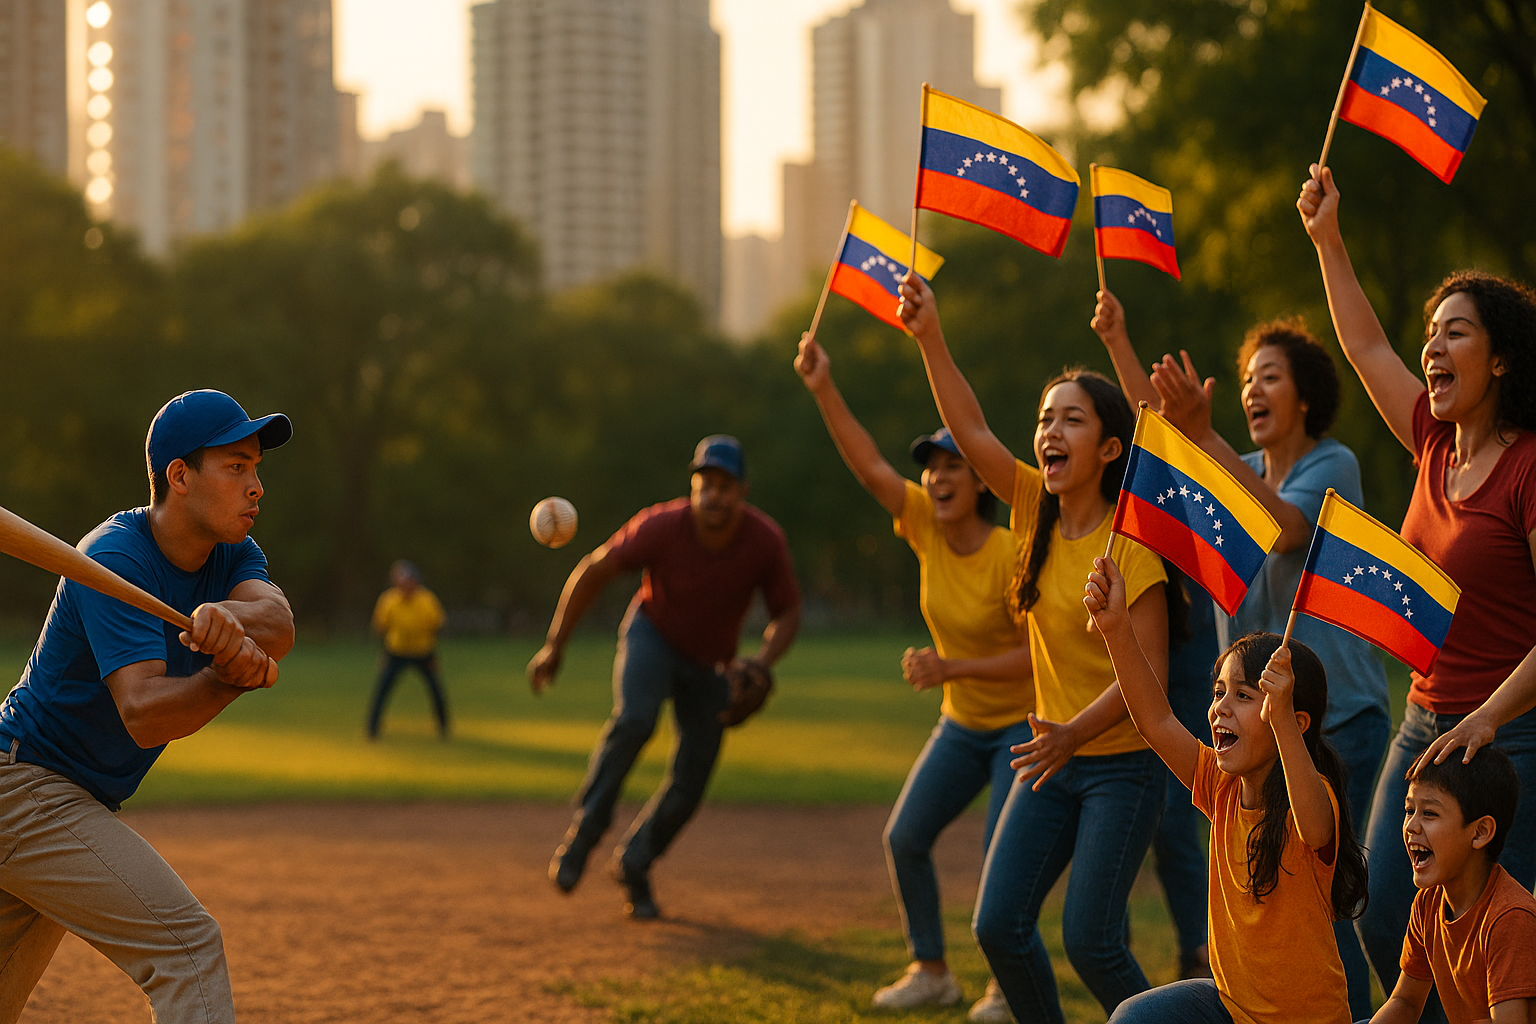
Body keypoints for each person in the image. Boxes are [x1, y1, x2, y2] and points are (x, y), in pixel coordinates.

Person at [1094, 291, 1390, 1014]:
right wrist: (1119, 343)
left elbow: (1282, 528)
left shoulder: (1333, 463)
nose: (1253, 390)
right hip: (1256, 727)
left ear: (1306, 395)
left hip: (1331, 717)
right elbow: (1166, 445)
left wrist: (1204, 437)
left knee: (1326, 900)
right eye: (1247, 378)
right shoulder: (1241, 466)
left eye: (1270, 377)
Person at [899, 272, 1172, 1023]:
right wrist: (930, 335)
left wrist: (1072, 735)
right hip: (1055, 755)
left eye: (1072, 420)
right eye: (1046, 418)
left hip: (1121, 766)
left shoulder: (1132, 540)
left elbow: (1149, 677)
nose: (1051, 431)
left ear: (1109, 447)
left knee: (1092, 942)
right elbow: (970, 428)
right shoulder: (1031, 509)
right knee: (997, 926)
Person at [1298, 164, 1536, 1016]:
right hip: (1426, 722)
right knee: (1387, 914)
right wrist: (1328, 238)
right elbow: (1368, 348)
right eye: (1430, 334)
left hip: (1513, 737)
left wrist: (1491, 718)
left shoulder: (1528, 469)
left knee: (1503, 939)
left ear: (1500, 358)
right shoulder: (1433, 442)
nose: (1432, 349)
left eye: (1455, 334)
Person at [0, 389, 294, 1023]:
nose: (255, 487)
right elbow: (145, 713)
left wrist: (225, 617)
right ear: (180, 476)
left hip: (61, 798)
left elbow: (278, 623)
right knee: (188, 951)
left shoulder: (231, 552)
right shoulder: (115, 557)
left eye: (255, 468)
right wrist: (227, 679)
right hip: (26, 788)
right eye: (236, 467)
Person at [794, 333, 1031, 1021]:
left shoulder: (1011, 552)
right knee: (905, 837)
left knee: (999, 855)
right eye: (931, 468)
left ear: (982, 480)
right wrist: (823, 386)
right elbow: (868, 464)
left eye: (955, 465)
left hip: (1019, 725)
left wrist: (951, 666)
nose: (938, 478)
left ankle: (1005, 987)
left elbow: (1035, 655)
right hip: (962, 723)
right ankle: (932, 970)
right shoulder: (924, 524)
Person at [529, 435, 802, 920]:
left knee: (691, 780)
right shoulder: (661, 525)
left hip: (713, 662)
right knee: (635, 720)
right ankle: (586, 831)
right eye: (705, 484)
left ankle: (635, 863)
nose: (714, 494)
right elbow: (594, 570)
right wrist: (555, 645)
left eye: (725, 485)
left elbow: (788, 611)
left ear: (742, 491)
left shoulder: (764, 540)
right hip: (652, 635)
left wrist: (761, 662)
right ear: (692, 487)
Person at [1086, 556, 1368, 1024]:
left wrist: (1281, 720)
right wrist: (1116, 628)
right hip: (1229, 1007)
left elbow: (1317, 829)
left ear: (1294, 722)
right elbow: (1156, 720)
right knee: (1132, 1018)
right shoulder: (1221, 787)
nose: (1220, 708)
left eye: (1244, 695)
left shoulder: (1310, 795)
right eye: (1219, 692)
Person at [1091, 298, 1223, 981]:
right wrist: (1117, 337)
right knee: (1157, 819)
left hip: (1192, 651)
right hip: (1136, 645)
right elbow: (1148, 425)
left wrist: (1119, 341)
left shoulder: (1184, 485)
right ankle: (1184, 944)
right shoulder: (1126, 487)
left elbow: (1152, 427)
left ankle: (1203, 948)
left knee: (1181, 811)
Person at [1369, 747, 1536, 1024]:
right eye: (1409, 810)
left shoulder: (1511, 918)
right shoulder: (1428, 902)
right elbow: (1405, 1001)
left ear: (1480, 832)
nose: (1411, 826)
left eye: (1429, 814)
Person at [367, 559, 449, 740]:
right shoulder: (388, 600)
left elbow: (436, 626)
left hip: (423, 652)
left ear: (415, 581)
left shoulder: (427, 599)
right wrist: (382, 652)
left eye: (408, 581)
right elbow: (379, 627)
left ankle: (444, 727)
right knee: (382, 689)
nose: (405, 586)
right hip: (396, 651)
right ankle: (372, 728)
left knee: (435, 690)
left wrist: (434, 654)